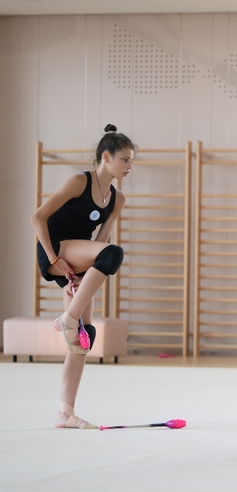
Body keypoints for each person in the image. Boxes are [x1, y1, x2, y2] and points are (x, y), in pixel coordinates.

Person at [31, 124, 134, 429]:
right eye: (125, 160)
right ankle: (66, 318)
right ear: (107, 157)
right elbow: (38, 217)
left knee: (84, 336)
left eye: (131, 161)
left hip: (81, 257)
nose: (130, 166)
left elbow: (99, 245)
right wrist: (55, 259)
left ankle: (65, 412)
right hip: (55, 248)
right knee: (114, 254)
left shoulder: (117, 199)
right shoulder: (79, 182)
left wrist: (83, 272)